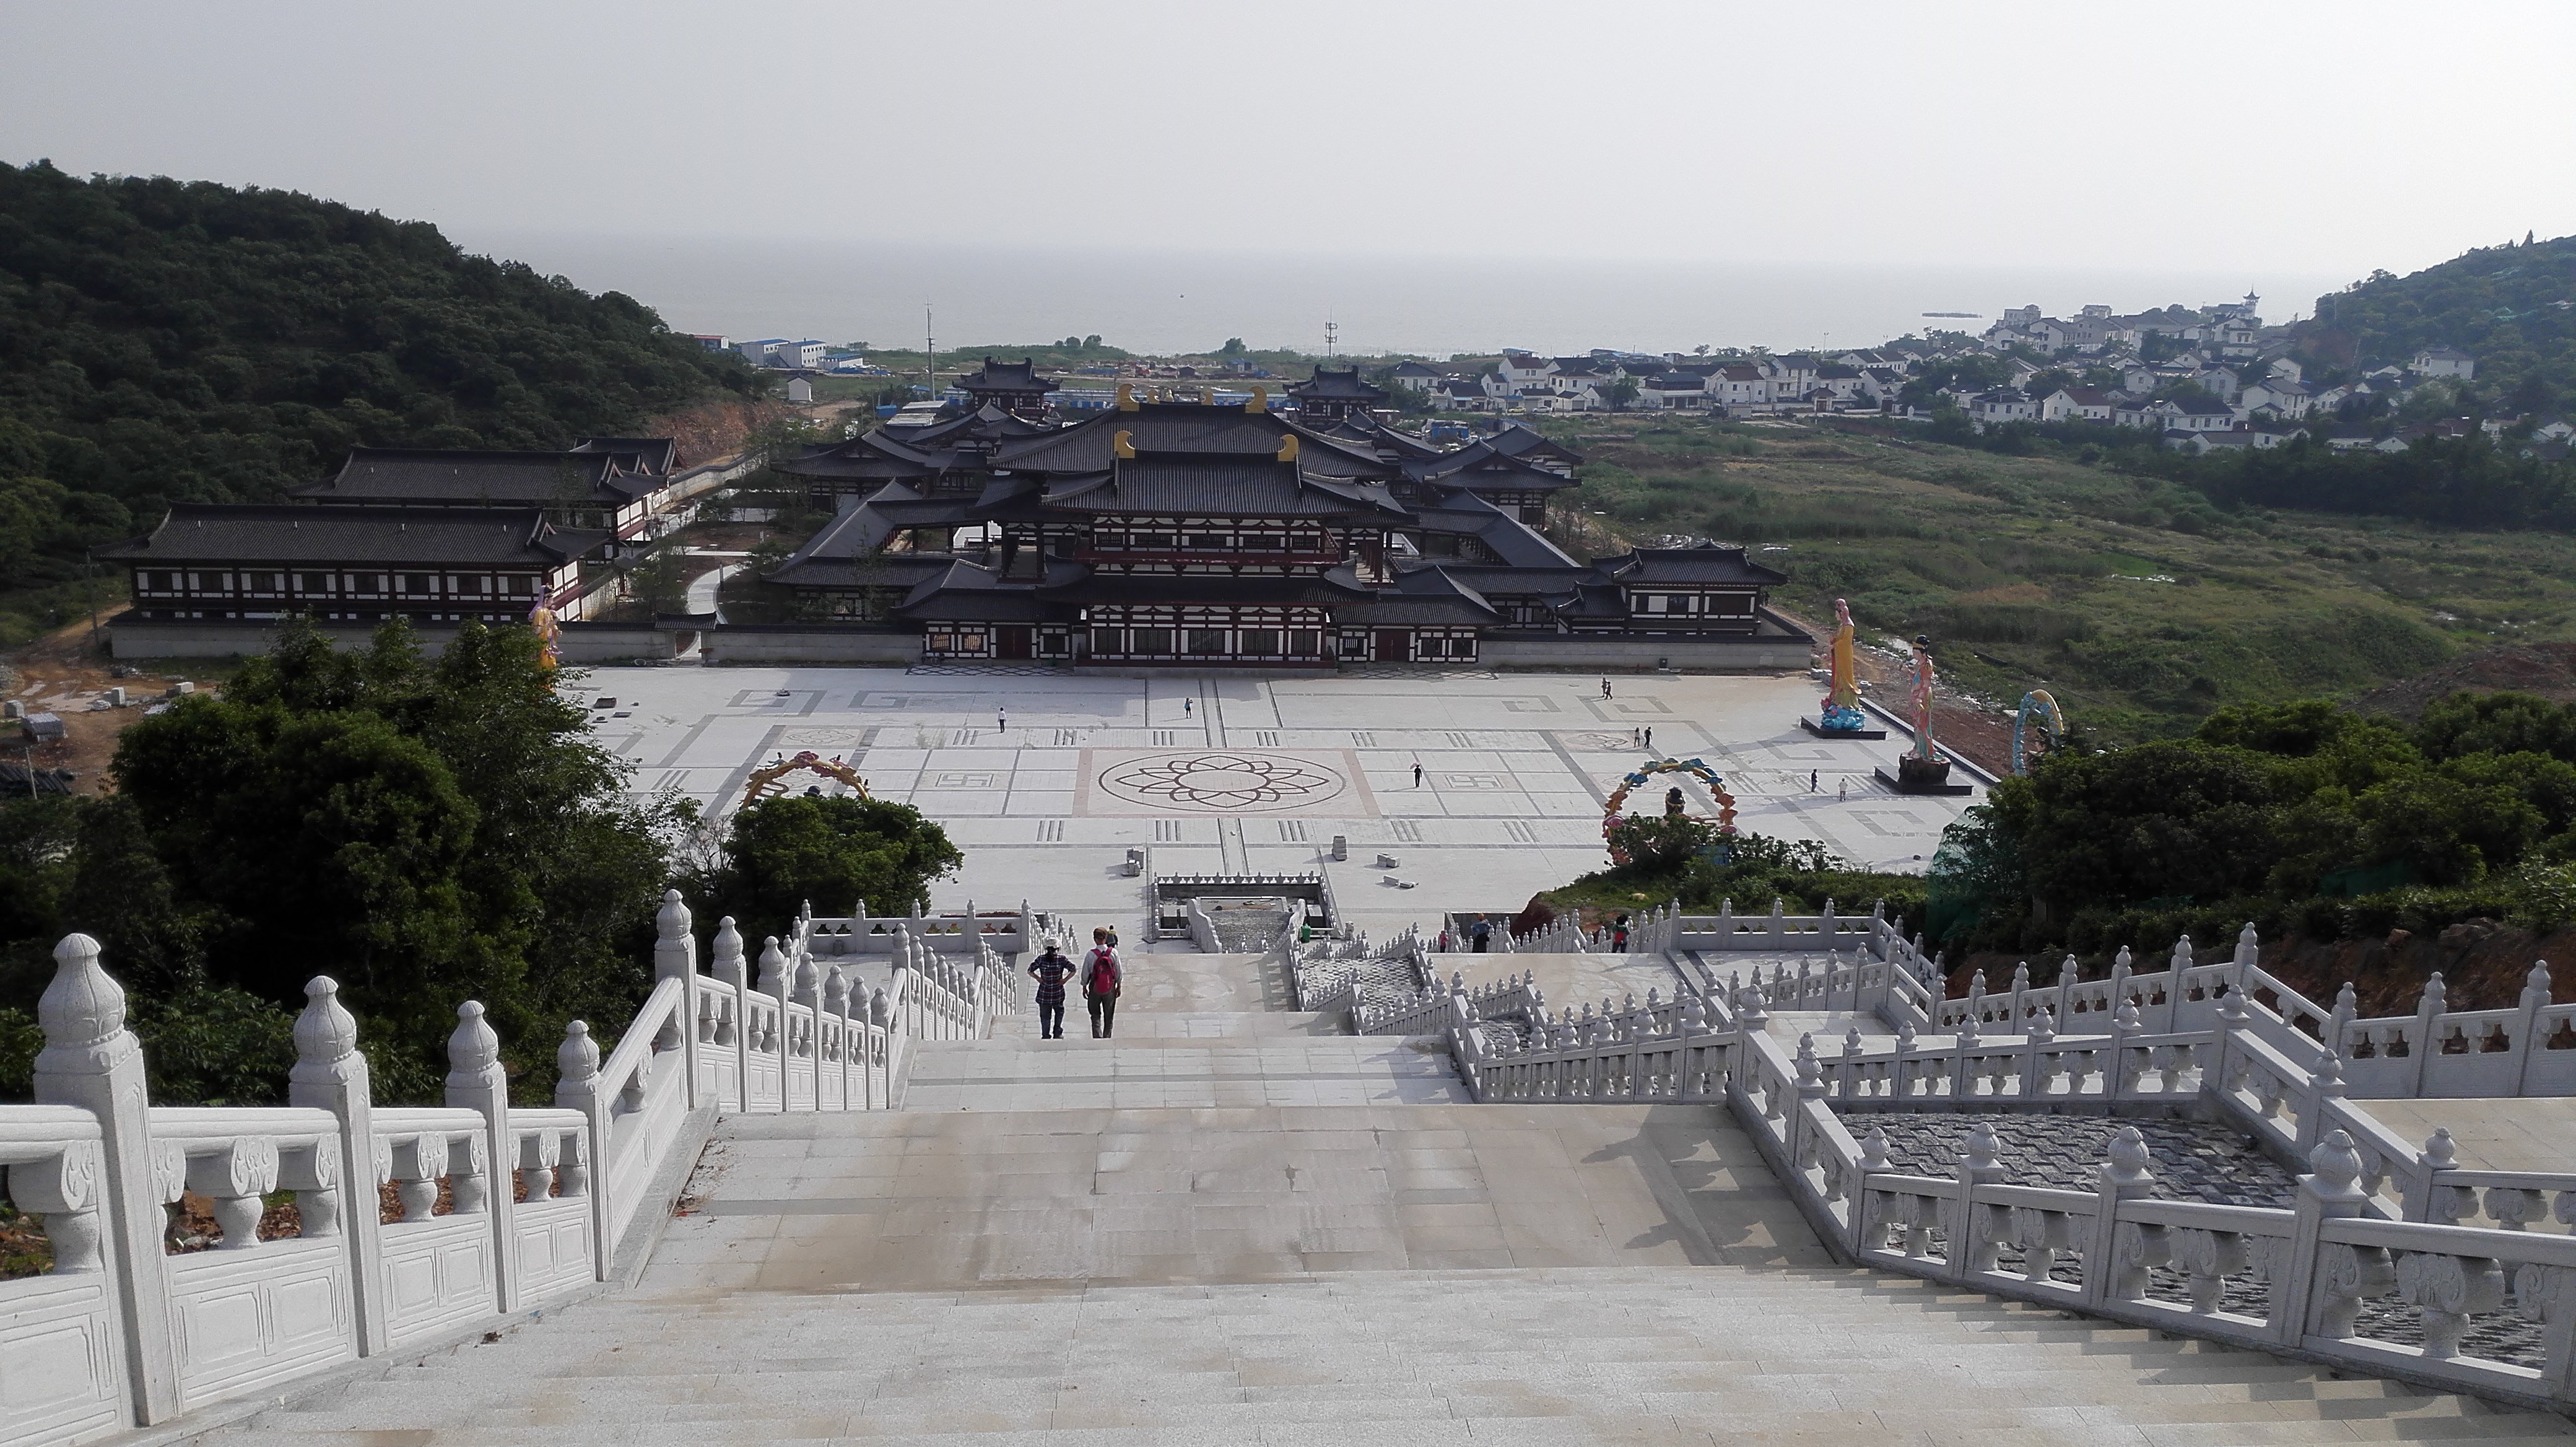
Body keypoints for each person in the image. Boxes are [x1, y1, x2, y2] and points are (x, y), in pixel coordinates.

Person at [1027, 941, 1074, 1039]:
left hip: (1044, 993)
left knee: (1045, 1016)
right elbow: (1073, 969)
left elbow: (1030, 971)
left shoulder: (1041, 959)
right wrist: (1065, 980)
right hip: (1058, 992)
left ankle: (1046, 1035)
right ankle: (1057, 1033)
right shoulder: (1061, 959)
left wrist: (1038, 978)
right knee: (1059, 1013)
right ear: (1057, 948)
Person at [1082, 927, 1123, 1038]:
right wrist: (1118, 986)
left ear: (1095, 939)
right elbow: (1118, 970)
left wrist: (1084, 986)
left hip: (1095, 986)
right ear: (1106, 938)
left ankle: (1097, 1036)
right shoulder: (1113, 953)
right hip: (1110, 987)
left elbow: (1085, 972)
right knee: (1109, 1015)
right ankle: (1107, 1037)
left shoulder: (1090, 955)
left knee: (1095, 1014)